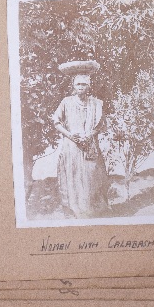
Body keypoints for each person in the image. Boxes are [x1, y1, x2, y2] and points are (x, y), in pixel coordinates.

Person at [51, 70, 110, 218]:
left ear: (89, 86)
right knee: (74, 175)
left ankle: (93, 209)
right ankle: (75, 208)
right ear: (73, 85)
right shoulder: (66, 102)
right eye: (78, 84)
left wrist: (90, 135)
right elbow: (56, 122)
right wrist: (70, 135)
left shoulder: (96, 103)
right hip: (71, 145)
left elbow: (101, 124)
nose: (81, 87)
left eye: (84, 84)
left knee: (92, 174)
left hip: (90, 145)